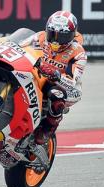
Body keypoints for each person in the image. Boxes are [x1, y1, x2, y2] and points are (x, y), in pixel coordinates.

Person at [24, 10, 87, 145]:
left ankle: (47, 129)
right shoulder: (39, 37)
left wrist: (55, 74)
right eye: (53, 34)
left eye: (62, 37)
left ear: (72, 35)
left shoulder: (78, 53)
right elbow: (20, 46)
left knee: (56, 95)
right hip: (37, 75)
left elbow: (72, 80)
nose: (56, 41)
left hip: (66, 87)